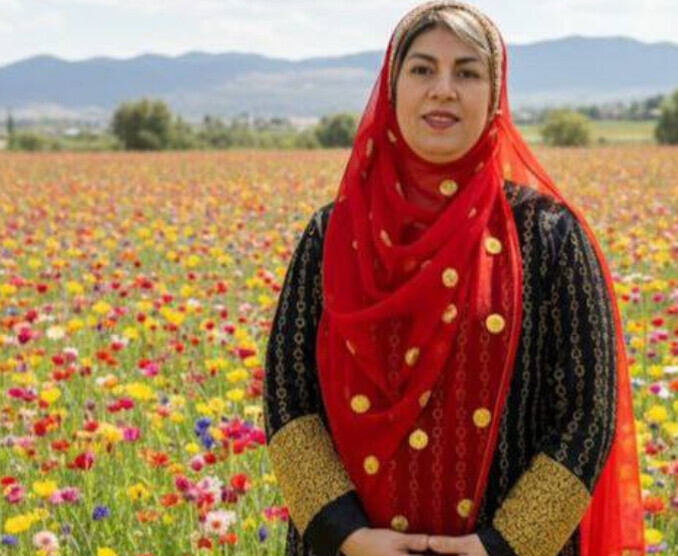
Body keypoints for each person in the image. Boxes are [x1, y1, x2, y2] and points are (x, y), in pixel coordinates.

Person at [263, 2, 645, 555]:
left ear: (494, 97)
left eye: (467, 73)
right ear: (392, 88)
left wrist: (503, 544)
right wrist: (347, 535)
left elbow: (588, 415)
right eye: (423, 69)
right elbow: (288, 397)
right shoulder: (331, 236)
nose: (443, 90)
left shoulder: (550, 238)